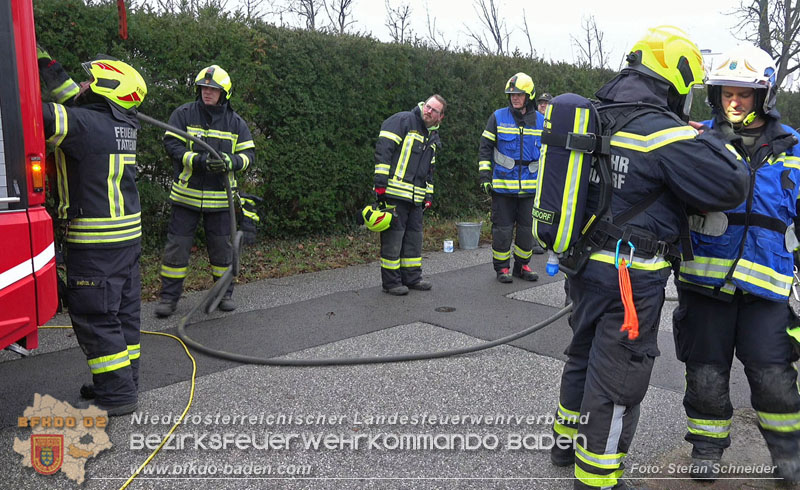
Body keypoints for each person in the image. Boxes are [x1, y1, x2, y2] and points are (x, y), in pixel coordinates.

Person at [548, 26, 749, 489]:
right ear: (675, 77)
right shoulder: (663, 132)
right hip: (631, 275)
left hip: (583, 264)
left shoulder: (596, 114)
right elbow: (730, 185)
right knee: (619, 375)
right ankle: (598, 477)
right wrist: (714, 139)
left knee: (581, 353)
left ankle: (563, 443)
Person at [673, 45, 800, 483]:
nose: (734, 102)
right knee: (705, 373)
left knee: (773, 376)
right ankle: (707, 449)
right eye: (727, 93)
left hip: (766, 290)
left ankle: (789, 459)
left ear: (763, 96)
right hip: (705, 284)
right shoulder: (698, 141)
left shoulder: (793, 147)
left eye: (744, 94)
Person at [38, 47, 147, 416]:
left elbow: (34, 115)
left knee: (97, 319)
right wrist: (43, 62)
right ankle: (123, 380)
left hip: (95, 244)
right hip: (125, 241)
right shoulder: (121, 124)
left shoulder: (83, 125)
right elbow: (75, 99)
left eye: (90, 80)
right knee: (123, 315)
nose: (82, 84)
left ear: (105, 90)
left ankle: (117, 396)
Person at [155, 65, 255, 317]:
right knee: (176, 249)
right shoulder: (184, 114)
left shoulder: (236, 123)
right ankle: (169, 298)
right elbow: (171, 145)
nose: (207, 92)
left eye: (213, 89)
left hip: (221, 201)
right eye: (204, 87)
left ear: (224, 93)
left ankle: (224, 294)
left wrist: (231, 162)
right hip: (186, 198)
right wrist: (197, 160)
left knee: (223, 250)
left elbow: (248, 156)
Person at [373, 95, 445, 295]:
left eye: (434, 110)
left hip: (416, 198)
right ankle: (391, 283)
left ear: (441, 117)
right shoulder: (403, 121)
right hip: (395, 194)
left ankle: (412, 278)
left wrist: (428, 196)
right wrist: (380, 185)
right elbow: (383, 152)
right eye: (428, 107)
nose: (429, 111)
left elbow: (429, 170)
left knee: (414, 239)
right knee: (393, 240)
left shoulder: (432, 135)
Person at [478, 73, 544, 283]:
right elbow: (485, 147)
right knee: (502, 231)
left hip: (531, 189)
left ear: (529, 95)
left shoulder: (542, 122)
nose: (514, 98)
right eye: (512, 94)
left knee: (527, 232)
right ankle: (502, 269)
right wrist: (484, 175)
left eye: (519, 94)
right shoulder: (497, 117)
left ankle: (522, 266)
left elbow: (549, 153)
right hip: (502, 187)